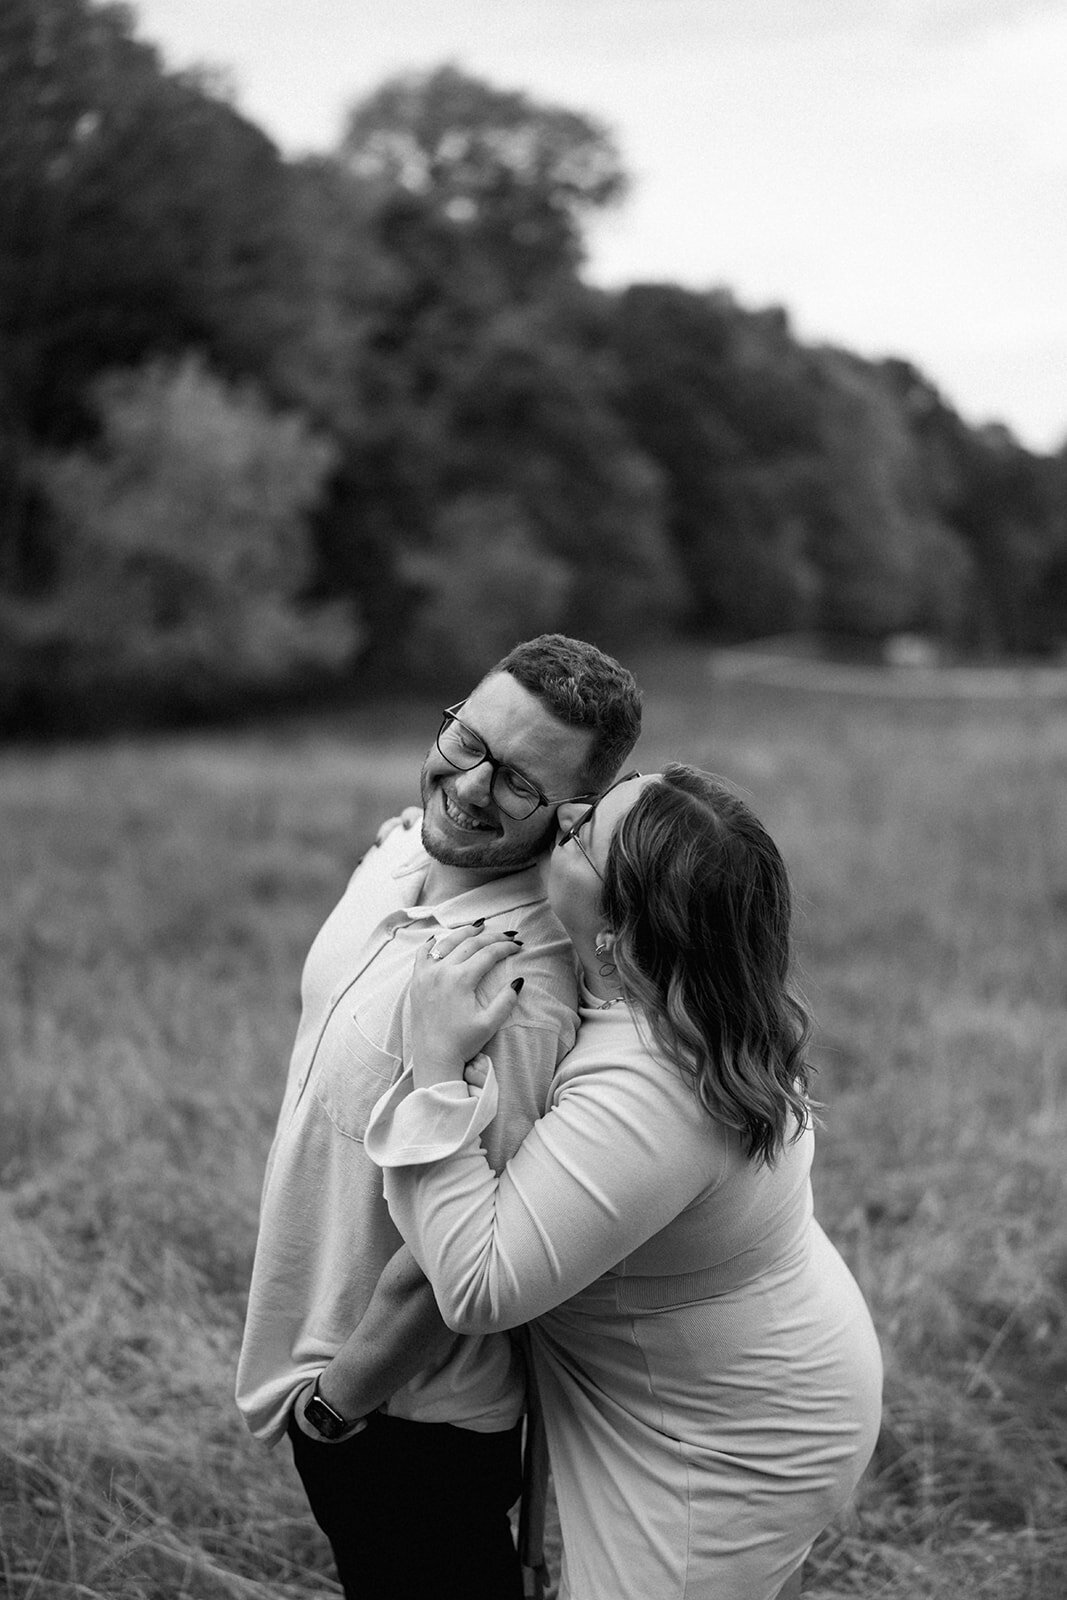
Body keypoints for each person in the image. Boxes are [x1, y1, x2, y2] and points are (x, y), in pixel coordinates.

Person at [365, 766, 884, 1600]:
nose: (564, 810)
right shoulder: (704, 994)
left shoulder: (652, 1090)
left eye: (579, 833)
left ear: (620, 933)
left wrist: (436, 1071)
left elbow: (478, 1285)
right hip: (762, 1374)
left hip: (721, 1442)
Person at [235, 635, 642, 1600]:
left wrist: (336, 1410)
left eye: (517, 784)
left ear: (570, 814)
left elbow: (454, 1260)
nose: (467, 788)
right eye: (468, 741)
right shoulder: (404, 852)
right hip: (347, 1387)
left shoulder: (513, 988)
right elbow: (421, 827)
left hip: (406, 1423)